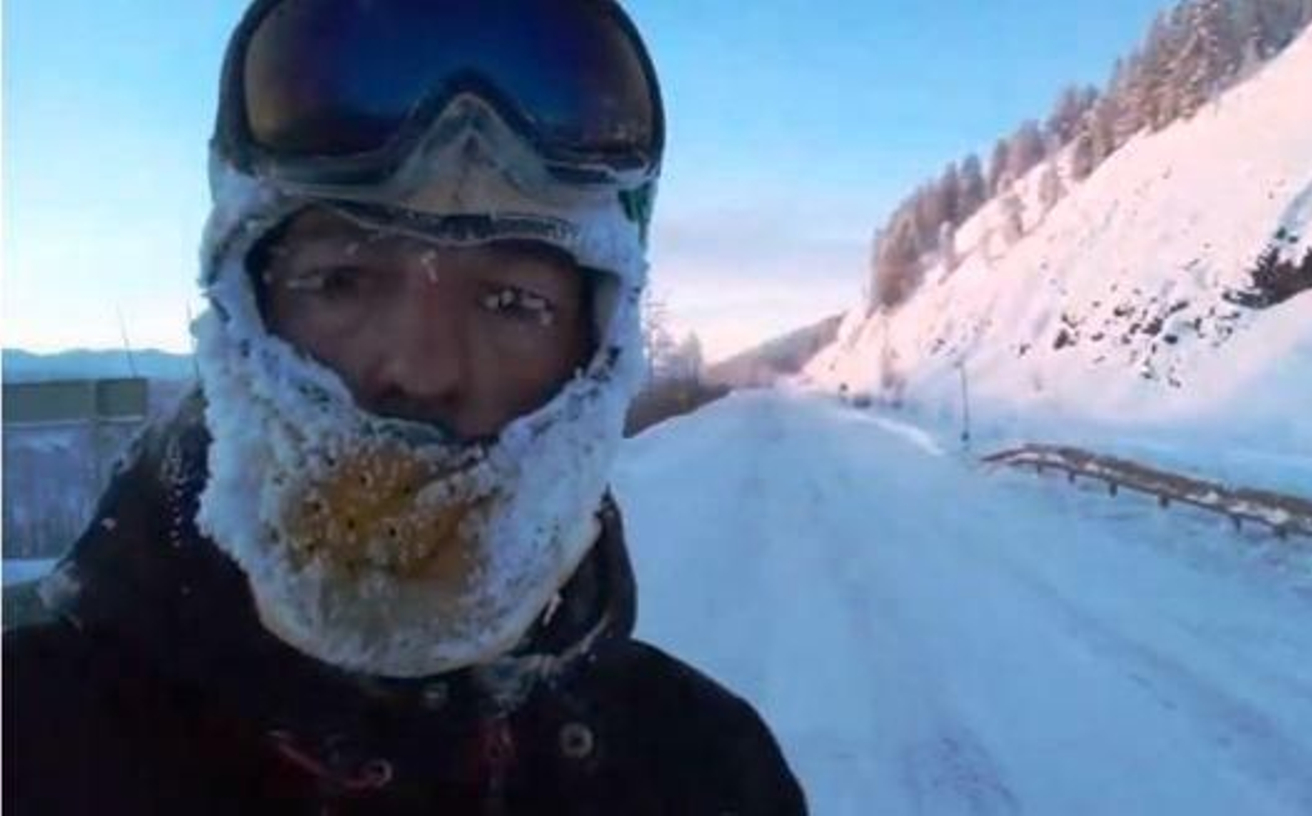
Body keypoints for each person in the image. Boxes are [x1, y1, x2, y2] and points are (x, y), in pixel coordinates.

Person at [2, 1, 806, 813]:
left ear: (596, 354)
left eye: (512, 303)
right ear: (243, 306)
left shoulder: (709, 772)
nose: (422, 373)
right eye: (342, 281)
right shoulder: (27, 744)